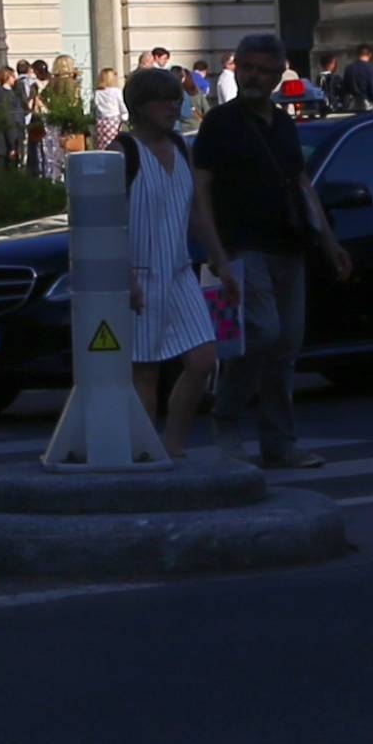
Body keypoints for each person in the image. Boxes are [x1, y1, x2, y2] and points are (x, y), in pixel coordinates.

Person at [195, 32, 347, 469]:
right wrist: (218, 255)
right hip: (243, 246)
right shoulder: (219, 123)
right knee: (263, 334)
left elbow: (301, 186)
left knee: (286, 347)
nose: (254, 77)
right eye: (248, 68)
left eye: (264, 70)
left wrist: (329, 242)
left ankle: (279, 442)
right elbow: (200, 191)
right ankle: (226, 420)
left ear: (280, 75)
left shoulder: (282, 124)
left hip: (288, 246)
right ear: (236, 68)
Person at [104, 63, 225, 455]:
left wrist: (219, 259)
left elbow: (194, 212)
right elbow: (108, 221)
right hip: (139, 271)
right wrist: (126, 277)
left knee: (204, 359)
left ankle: (172, 444)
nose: (173, 108)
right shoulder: (122, 151)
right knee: (145, 370)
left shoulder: (178, 146)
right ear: (139, 107)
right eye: (162, 103)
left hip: (177, 272)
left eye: (175, 100)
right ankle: (145, 451)